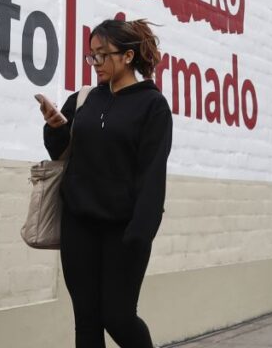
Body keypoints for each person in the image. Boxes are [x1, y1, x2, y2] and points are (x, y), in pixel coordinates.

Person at [36, 19, 173, 348]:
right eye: (91, 56)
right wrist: (55, 127)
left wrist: (141, 232)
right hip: (78, 225)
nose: (94, 63)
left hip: (123, 231)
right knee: (86, 320)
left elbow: (152, 173)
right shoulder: (84, 100)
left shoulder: (152, 106)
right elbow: (59, 150)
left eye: (102, 55)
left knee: (118, 316)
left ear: (127, 57)